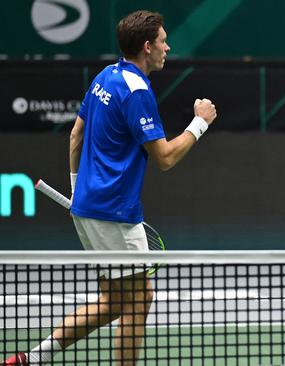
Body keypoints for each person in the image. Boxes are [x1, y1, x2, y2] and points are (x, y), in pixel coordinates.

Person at [3, 10, 217, 366]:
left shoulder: (106, 75)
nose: (168, 46)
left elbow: (76, 135)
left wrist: (77, 192)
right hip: (114, 214)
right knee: (139, 299)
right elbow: (164, 158)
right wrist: (199, 123)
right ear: (147, 47)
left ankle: (31, 359)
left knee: (114, 301)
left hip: (88, 207)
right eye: (163, 41)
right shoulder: (137, 92)